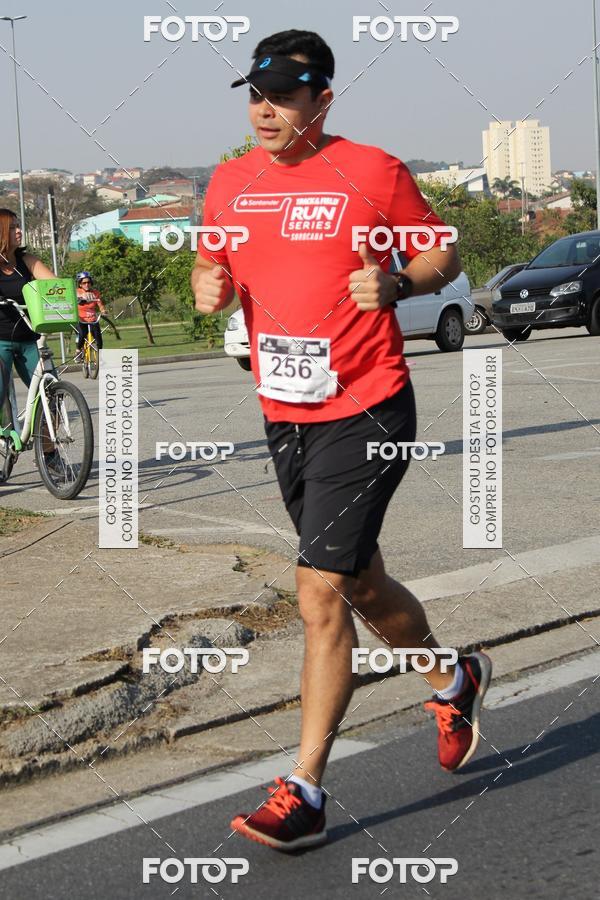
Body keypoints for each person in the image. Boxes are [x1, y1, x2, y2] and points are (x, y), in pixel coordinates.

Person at [192, 29, 492, 851]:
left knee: (319, 588)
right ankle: (450, 672)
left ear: (322, 99)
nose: (266, 108)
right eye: (256, 93)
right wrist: (208, 286)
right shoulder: (229, 181)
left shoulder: (372, 171)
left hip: (367, 407)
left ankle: (305, 790)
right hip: (284, 412)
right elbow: (209, 266)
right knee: (357, 579)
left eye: (284, 95)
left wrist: (396, 281)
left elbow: (443, 252)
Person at [0, 208, 57, 420]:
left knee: (51, 394)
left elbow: (54, 285)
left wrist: (76, 293)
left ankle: (49, 451)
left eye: (18, 226)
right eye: (12, 227)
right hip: (0, 340)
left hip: (28, 338)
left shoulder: (27, 260)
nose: (18, 231)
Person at [74, 272, 105, 362]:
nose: (87, 284)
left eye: (88, 282)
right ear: (80, 283)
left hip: (92, 319)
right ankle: (78, 351)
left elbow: (100, 304)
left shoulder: (95, 293)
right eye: (84, 283)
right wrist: (81, 298)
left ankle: (100, 357)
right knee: (82, 334)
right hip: (81, 319)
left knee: (99, 339)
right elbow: (76, 299)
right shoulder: (76, 292)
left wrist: (103, 310)